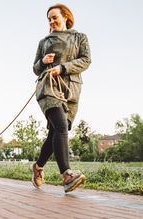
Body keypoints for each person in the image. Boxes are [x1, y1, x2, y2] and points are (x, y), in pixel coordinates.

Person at [32, 4, 91, 193]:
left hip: (71, 90)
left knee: (55, 133)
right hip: (48, 88)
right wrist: (43, 62)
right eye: (48, 19)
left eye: (54, 17)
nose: (51, 21)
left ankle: (38, 167)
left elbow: (86, 60)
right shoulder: (44, 42)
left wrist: (63, 68)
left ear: (66, 17)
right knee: (61, 126)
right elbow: (34, 68)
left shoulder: (79, 37)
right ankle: (67, 175)